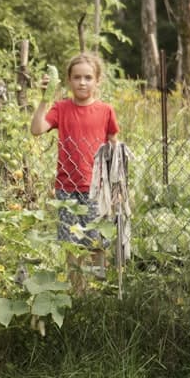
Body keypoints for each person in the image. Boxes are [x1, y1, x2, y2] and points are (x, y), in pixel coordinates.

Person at [30, 52, 120, 284]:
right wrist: (44, 98)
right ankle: (77, 291)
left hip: (96, 187)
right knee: (72, 245)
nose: (82, 82)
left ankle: (98, 286)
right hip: (67, 188)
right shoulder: (61, 108)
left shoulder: (105, 111)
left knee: (97, 242)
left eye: (88, 77)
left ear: (97, 81)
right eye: (77, 77)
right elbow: (37, 129)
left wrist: (116, 185)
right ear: (69, 80)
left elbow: (113, 147)